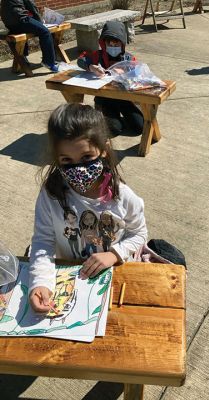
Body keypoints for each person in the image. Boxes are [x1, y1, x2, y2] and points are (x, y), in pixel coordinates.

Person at [29, 103, 147, 313]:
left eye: (86, 158)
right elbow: (43, 240)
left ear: (104, 150)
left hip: (112, 272)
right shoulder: (51, 195)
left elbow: (139, 233)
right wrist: (40, 282)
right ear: (56, 158)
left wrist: (114, 254)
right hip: (69, 274)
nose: (79, 169)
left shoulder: (123, 196)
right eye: (67, 160)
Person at [77, 21, 144, 136]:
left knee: (140, 128)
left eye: (116, 45)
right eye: (110, 45)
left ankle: (116, 118)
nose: (113, 47)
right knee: (114, 129)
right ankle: (107, 118)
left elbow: (138, 71)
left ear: (122, 44)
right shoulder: (98, 55)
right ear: (104, 44)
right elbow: (81, 59)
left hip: (125, 99)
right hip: (105, 99)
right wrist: (91, 67)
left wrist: (126, 71)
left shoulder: (127, 57)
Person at [0, 0, 58, 72]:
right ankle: (48, 62)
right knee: (45, 32)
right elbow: (31, 5)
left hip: (8, 22)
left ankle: (24, 59)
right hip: (20, 18)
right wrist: (40, 22)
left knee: (22, 31)